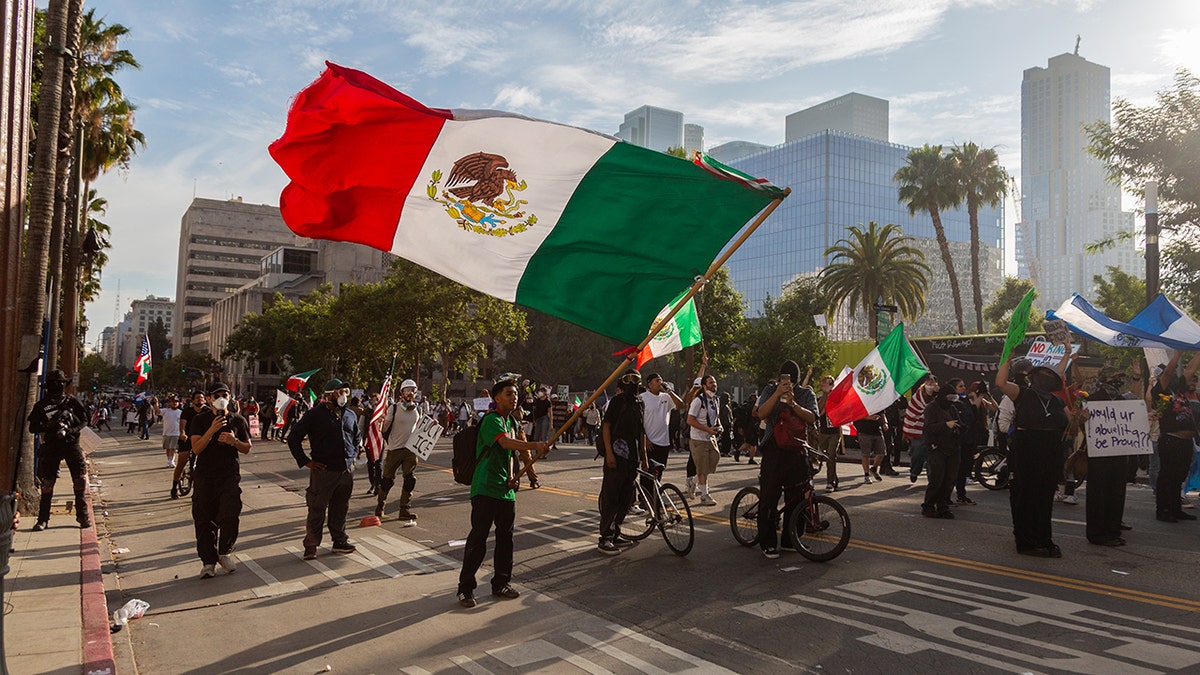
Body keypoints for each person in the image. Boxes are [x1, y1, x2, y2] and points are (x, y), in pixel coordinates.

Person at [456, 379, 549, 608]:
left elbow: (509, 456)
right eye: (509, 394)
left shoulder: (511, 421)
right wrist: (535, 445)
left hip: (505, 491)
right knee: (478, 539)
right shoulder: (492, 420)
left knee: (505, 540)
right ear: (497, 398)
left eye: (515, 394)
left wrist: (512, 478)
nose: (514, 397)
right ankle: (465, 589)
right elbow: (506, 444)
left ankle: (501, 583)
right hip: (485, 488)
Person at [995, 359, 1073, 558]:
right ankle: (1026, 541)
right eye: (1042, 374)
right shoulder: (1023, 394)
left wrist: (1083, 417)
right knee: (1026, 495)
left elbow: (1072, 423)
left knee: (1044, 498)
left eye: (1050, 376)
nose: (1045, 378)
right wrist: (1007, 358)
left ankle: (1043, 538)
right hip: (1027, 451)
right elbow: (1001, 383)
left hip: (1051, 452)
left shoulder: (1057, 402)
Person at [288, 379, 359, 559]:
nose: (343, 395)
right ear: (328, 395)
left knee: (340, 507)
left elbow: (357, 437)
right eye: (339, 392)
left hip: (346, 470)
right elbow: (294, 438)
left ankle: (339, 540)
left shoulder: (350, 414)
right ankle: (311, 545)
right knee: (317, 507)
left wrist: (354, 454)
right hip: (324, 470)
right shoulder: (315, 415)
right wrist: (306, 461)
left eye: (345, 391)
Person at [754, 360, 818, 558]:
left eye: (792, 378)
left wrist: (793, 404)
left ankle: (792, 539)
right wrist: (776, 394)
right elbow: (761, 413)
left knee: (797, 498)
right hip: (774, 449)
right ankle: (768, 542)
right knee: (769, 496)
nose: (789, 381)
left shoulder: (806, 393)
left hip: (797, 449)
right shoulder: (770, 389)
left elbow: (812, 417)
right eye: (785, 377)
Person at [189, 382, 252, 577]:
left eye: (225, 394)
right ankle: (208, 562)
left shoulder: (238, 421)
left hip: (229, 476)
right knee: (204, 520)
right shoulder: (200, 420)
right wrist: (211, 431)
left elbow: (247, 447)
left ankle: (224, 552)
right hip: (205, 477)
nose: (221, 398)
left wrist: (235, 442)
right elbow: (196, 449)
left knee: (230, 514)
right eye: (217, 395)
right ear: (209, 399)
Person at [28, 370, 91, 531]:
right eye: (53, 384)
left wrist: (72, 430)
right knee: (47, 485)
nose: (57, 386)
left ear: (64, 384)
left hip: (71, 445)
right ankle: (43, 519)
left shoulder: (72, 402)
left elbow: (84, 420)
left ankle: (82, 516)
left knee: (79, 482)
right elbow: (32, 427)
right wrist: (48, 426)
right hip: (51, 446)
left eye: (60, 383)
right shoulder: (41, 406)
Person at [1082, 367, 1134, 545]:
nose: (1118, 381)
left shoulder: (1121, 400)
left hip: (1119, 454)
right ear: (1105, 379)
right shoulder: (1093, 399)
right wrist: (1081, 418)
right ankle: (1097, 533)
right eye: (1115, 378)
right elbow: (1085, 427)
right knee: (1099, 493)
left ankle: (1112, 530)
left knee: (1117, 493)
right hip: (1100, 455)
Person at [598, 370, 647, 554]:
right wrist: (609, 453)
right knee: (611, 498)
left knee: (626, 500)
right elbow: (607, 426)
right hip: (617, 457)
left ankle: (616, 533)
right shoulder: (617, 401)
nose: (632, 382)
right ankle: (605, 538)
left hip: (632, 459)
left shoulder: (640, 402)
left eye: (635, 379)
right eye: (628, 379)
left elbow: (641, 432)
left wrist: (644, 456)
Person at [1151, 350, 1200, 523]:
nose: (1172, 375)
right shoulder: (1159, 390)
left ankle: (1175, 508)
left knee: (1179, 476)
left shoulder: (1178, 389)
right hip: (1171, 440)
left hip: (1185, 442)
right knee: (1168, 476)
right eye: (1168, 374)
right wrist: (1178, 354)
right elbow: (1170, 371)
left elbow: (1190, 370)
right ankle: (1163, 509)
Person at [376, 379, 423, 521]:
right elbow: (384, 428)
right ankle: (380, 507)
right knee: (387, 481)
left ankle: (404, 509)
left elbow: (420, 428)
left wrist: (432, 425)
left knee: (410, 480)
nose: (410, 393)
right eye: (407, 390)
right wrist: (381, 422)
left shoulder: (418, 410)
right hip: (394, 449)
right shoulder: (394, 408)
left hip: (410, 450)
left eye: (413, 390)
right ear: (401, 393)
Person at [922, 380, 963, 519]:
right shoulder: (931, 408)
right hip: (937, 447)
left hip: (953, 447)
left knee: (950, 479)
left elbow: (958, 422)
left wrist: (961, 426)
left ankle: (943, 506)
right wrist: (945, 425)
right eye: (949, 398)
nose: (951, 401)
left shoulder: (952, 409)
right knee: (937, 479)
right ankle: (928, 505)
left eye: (954, 398)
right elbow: (929, 428)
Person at [639, 373, 686, 488]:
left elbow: (681, 405)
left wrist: (669, 391)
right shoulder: (643, 398)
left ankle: (656, 497)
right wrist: (645, 439)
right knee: (647, 472)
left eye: (661, 380)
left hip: (664, 441)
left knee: (659, 471)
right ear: (649, 384)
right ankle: (645, 497)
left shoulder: (666, 397)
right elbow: (638, 421)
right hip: (650, 442)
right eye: (656, 380)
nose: (660, 382)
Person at [956, 381, 997, 504]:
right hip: (971, 432)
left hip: (979, 431)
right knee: (965, 462)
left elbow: (995, 407)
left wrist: (988, 396)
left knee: (975, 455)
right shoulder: (969, 398)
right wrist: (979, 395)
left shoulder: (983, 399)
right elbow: (974, 408)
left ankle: (964, 486)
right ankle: (964, 480)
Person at [686, 374, 723, 506]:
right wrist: (707, 429)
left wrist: (719, 426)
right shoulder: (698, 401)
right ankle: (704, 495)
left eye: (714, 382)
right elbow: (690, 420)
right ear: (704, 385)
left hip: (710, 438)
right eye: (710, 383)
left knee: (713, 461)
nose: (713, 385)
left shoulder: (715, 400)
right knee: (702, 468)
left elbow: (715, 417)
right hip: (698, 439)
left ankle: (693, 481)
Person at [172, 390, 207, 499]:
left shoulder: (208, 411)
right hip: (187, 440)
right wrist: (182, 433)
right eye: (197, 398)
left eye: (201, 398)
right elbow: (182, 425)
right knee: (181, 463)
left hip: (201, 440)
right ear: (192, 400)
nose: (199, 399)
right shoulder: (187, 411)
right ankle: (174, 488)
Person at [903, 375, 937, 482]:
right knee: (917, 452)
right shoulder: (918, 396)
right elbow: (914, 410)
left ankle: (932, 480)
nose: (931, 385)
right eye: (929, 383)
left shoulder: (938, 395)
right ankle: (914, 471)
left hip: (932, 429)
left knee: (931, 455)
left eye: (933, 383)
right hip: (918, 429)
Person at [815, 375, 843, 491]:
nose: (824, 385)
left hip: (834, 432)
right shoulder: (820, 398)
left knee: (831, 456)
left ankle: (830, 482)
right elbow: (819, 413)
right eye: (824, 383)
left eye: (828, 383)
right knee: (824, 456)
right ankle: (834, 477)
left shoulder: (837, 398)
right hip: (823, 432)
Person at [854, 411, 887, 484]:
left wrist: (885, 423)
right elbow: (856, 415)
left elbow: (882, 414)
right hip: (864, 431)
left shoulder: (878, 402)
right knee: (866, 454)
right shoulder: (862, 402)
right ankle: (866, 475)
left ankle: (874, 468)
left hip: (877, 431)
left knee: (882, 452)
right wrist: (868, 418)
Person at [161, 397, 183, 468]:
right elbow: (158, 411)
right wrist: (156, 403)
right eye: (173, 401)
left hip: (176, 433)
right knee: (168, 448)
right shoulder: (165, 411)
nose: (175, 403)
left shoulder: (180, 412)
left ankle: (172, 461)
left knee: (173, 448)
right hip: (166, 433)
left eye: (176, 402)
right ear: (170, 403)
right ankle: (169, 461)